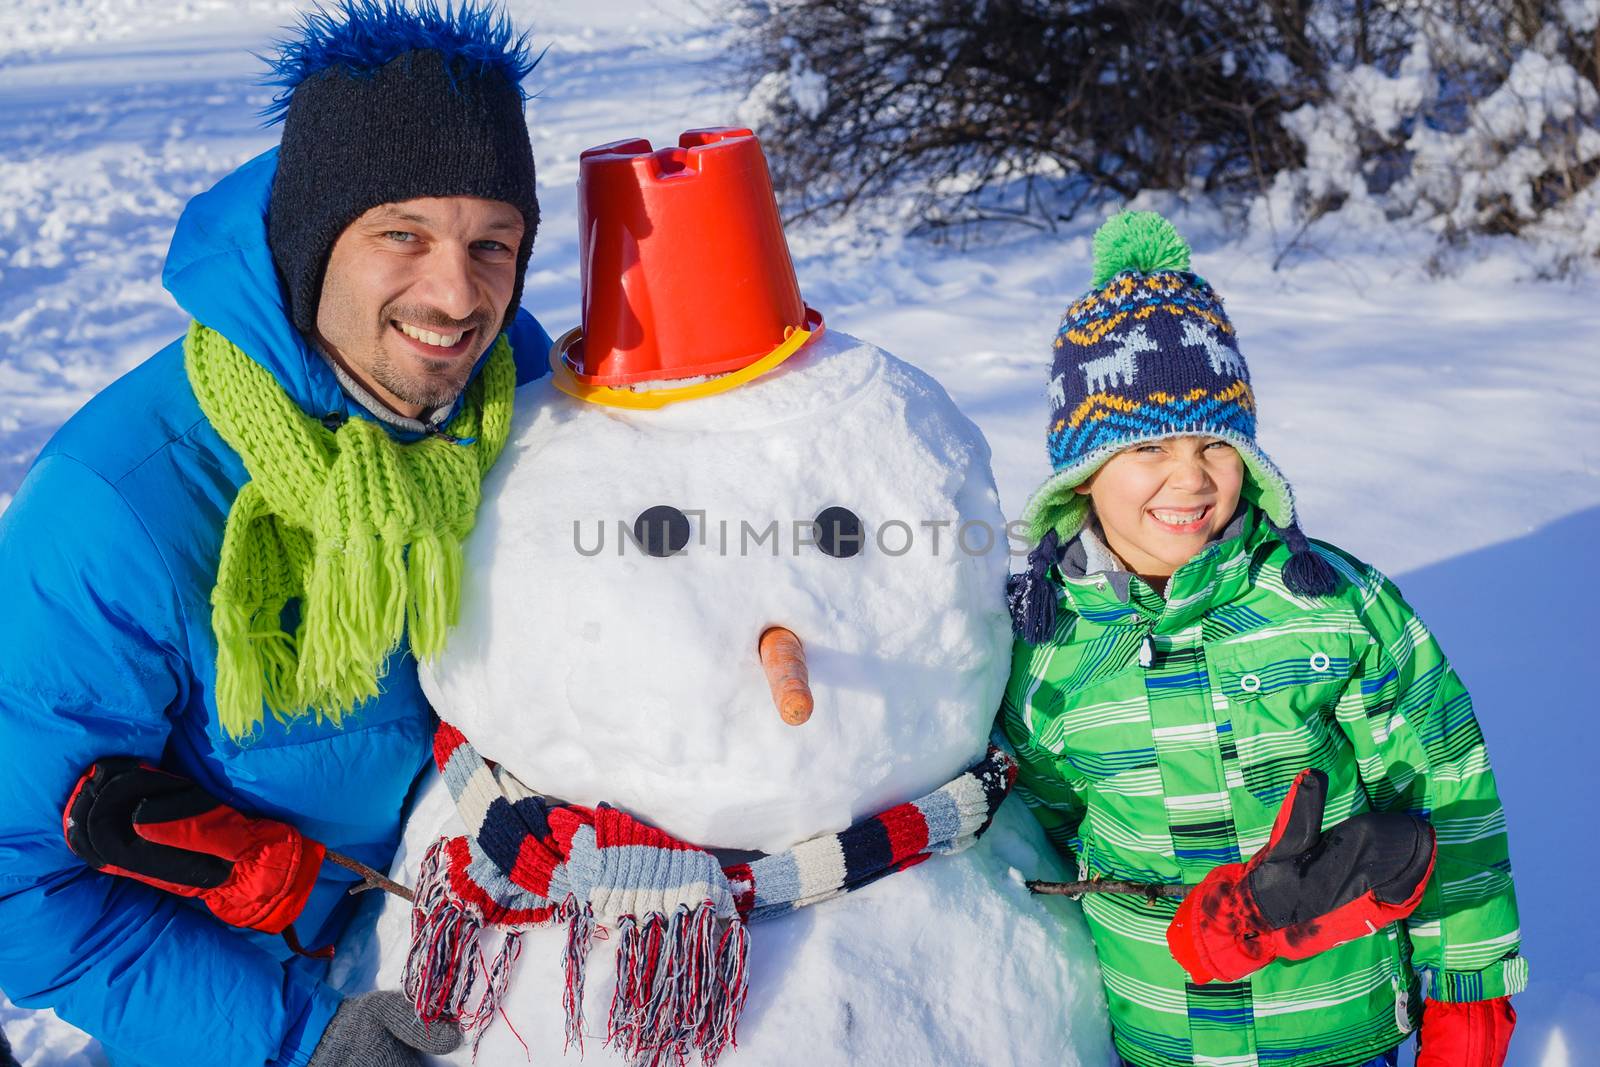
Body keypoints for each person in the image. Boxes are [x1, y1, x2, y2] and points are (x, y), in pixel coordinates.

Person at [0, 2, 551, 1064]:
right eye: (403, 234)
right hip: (262, 1005)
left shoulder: (516, 402)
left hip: (489, 954)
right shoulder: (118, 508)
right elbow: (16, 880)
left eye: (493, 243)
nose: (455, 294)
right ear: (311, 246)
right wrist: (301, 1039)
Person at [1000, 212, 1524, 1067]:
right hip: (1163, 1041)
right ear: (1083, 471)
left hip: (1341, 1035)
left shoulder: (1333, 607)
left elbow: (1450, 791)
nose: (1191, 476)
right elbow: (1051, 827)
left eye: (1217, 441)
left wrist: (1470, 990)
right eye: (1148, 446)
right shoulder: (1046, 645)